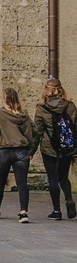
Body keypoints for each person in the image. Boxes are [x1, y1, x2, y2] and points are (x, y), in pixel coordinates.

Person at [31, 79, 77, 220]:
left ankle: (56, 210)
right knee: (64, 177)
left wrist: (31, 151)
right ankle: (69, 199)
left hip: (49, 148)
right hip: (67, 147)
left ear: (46, 90)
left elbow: (37, 132)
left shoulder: (41, 108)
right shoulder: (70, 106)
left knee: (53, 178)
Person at [0, 88, 33, 223]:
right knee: (22, 183)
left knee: (0, 182)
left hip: (4, 151)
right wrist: (30, 150)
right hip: (22, 151)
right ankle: (23, 212)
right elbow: (32, 133)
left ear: (4, 99)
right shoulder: (24, 116)